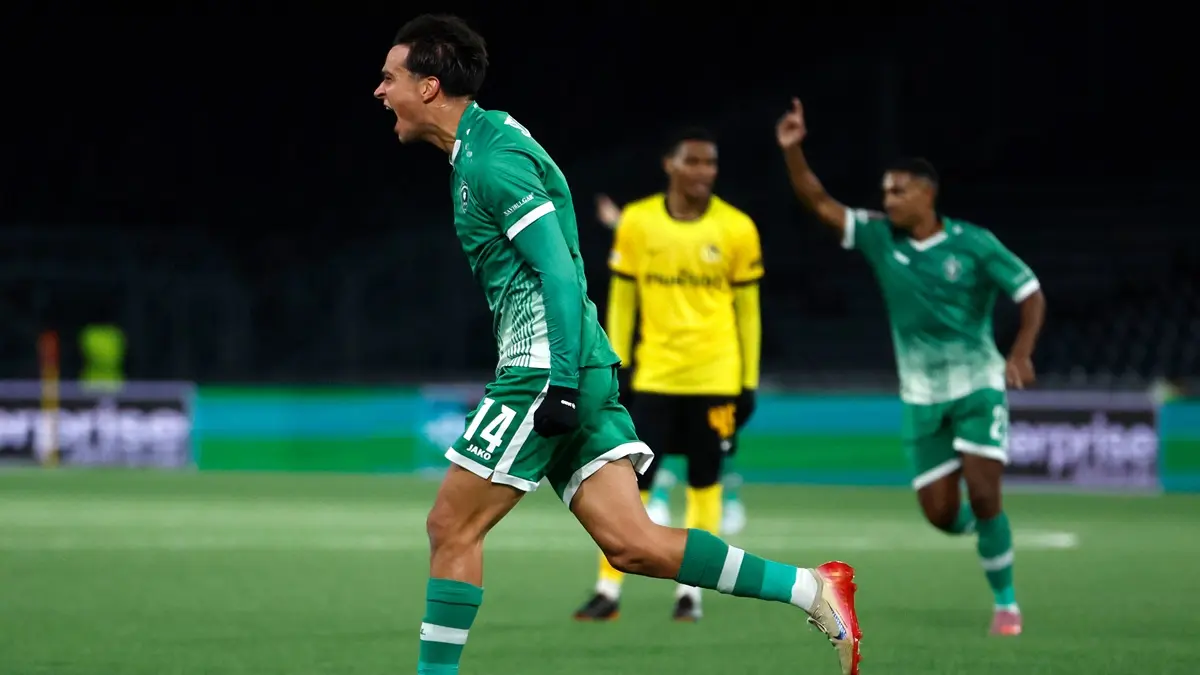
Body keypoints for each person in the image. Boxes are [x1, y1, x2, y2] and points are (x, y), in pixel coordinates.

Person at [374, 16, 862, 675]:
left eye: (390, 78)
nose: (380, 91)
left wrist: (561, 381)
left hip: (544, 368)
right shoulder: (484, 143)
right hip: (580, 361)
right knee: (632, 544)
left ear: (429, 86)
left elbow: (557, 268)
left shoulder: (492, 161)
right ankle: (812, 588)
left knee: (450, 527)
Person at [775, 98, 1046, 637]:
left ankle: (1007, 604)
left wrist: (1020, 352)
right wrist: (793, 151)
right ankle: (989, 530)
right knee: (941, 514)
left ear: (927, 193)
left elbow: (1030, 292)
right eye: (885, 192)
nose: (888, 200)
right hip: (921, 395)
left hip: (977, 385)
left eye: (898, 191)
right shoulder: (880, 238)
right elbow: (819, 202)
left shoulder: (974, 244)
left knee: (984, 492)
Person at [574, 128, 762, 623]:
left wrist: (747, 381)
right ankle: (608, 590)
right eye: (693, 161)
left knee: (705, 484)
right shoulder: (637, 222)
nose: (704, 171)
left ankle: (691, 594)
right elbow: (623, 301)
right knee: (628, 486)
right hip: (653, 377)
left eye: (710, 162)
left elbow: (748, 311)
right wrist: (614, 365)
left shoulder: (738, 228)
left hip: (716, 379)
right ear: (669, 164)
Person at [595, 186, 753, 539]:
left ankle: (728, 506)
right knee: (651, 452)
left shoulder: (729, 229)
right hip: (659, 370)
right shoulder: (646, 224)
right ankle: (661, 503)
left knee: (712, 459)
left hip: (713, 372)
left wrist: (746, 380)